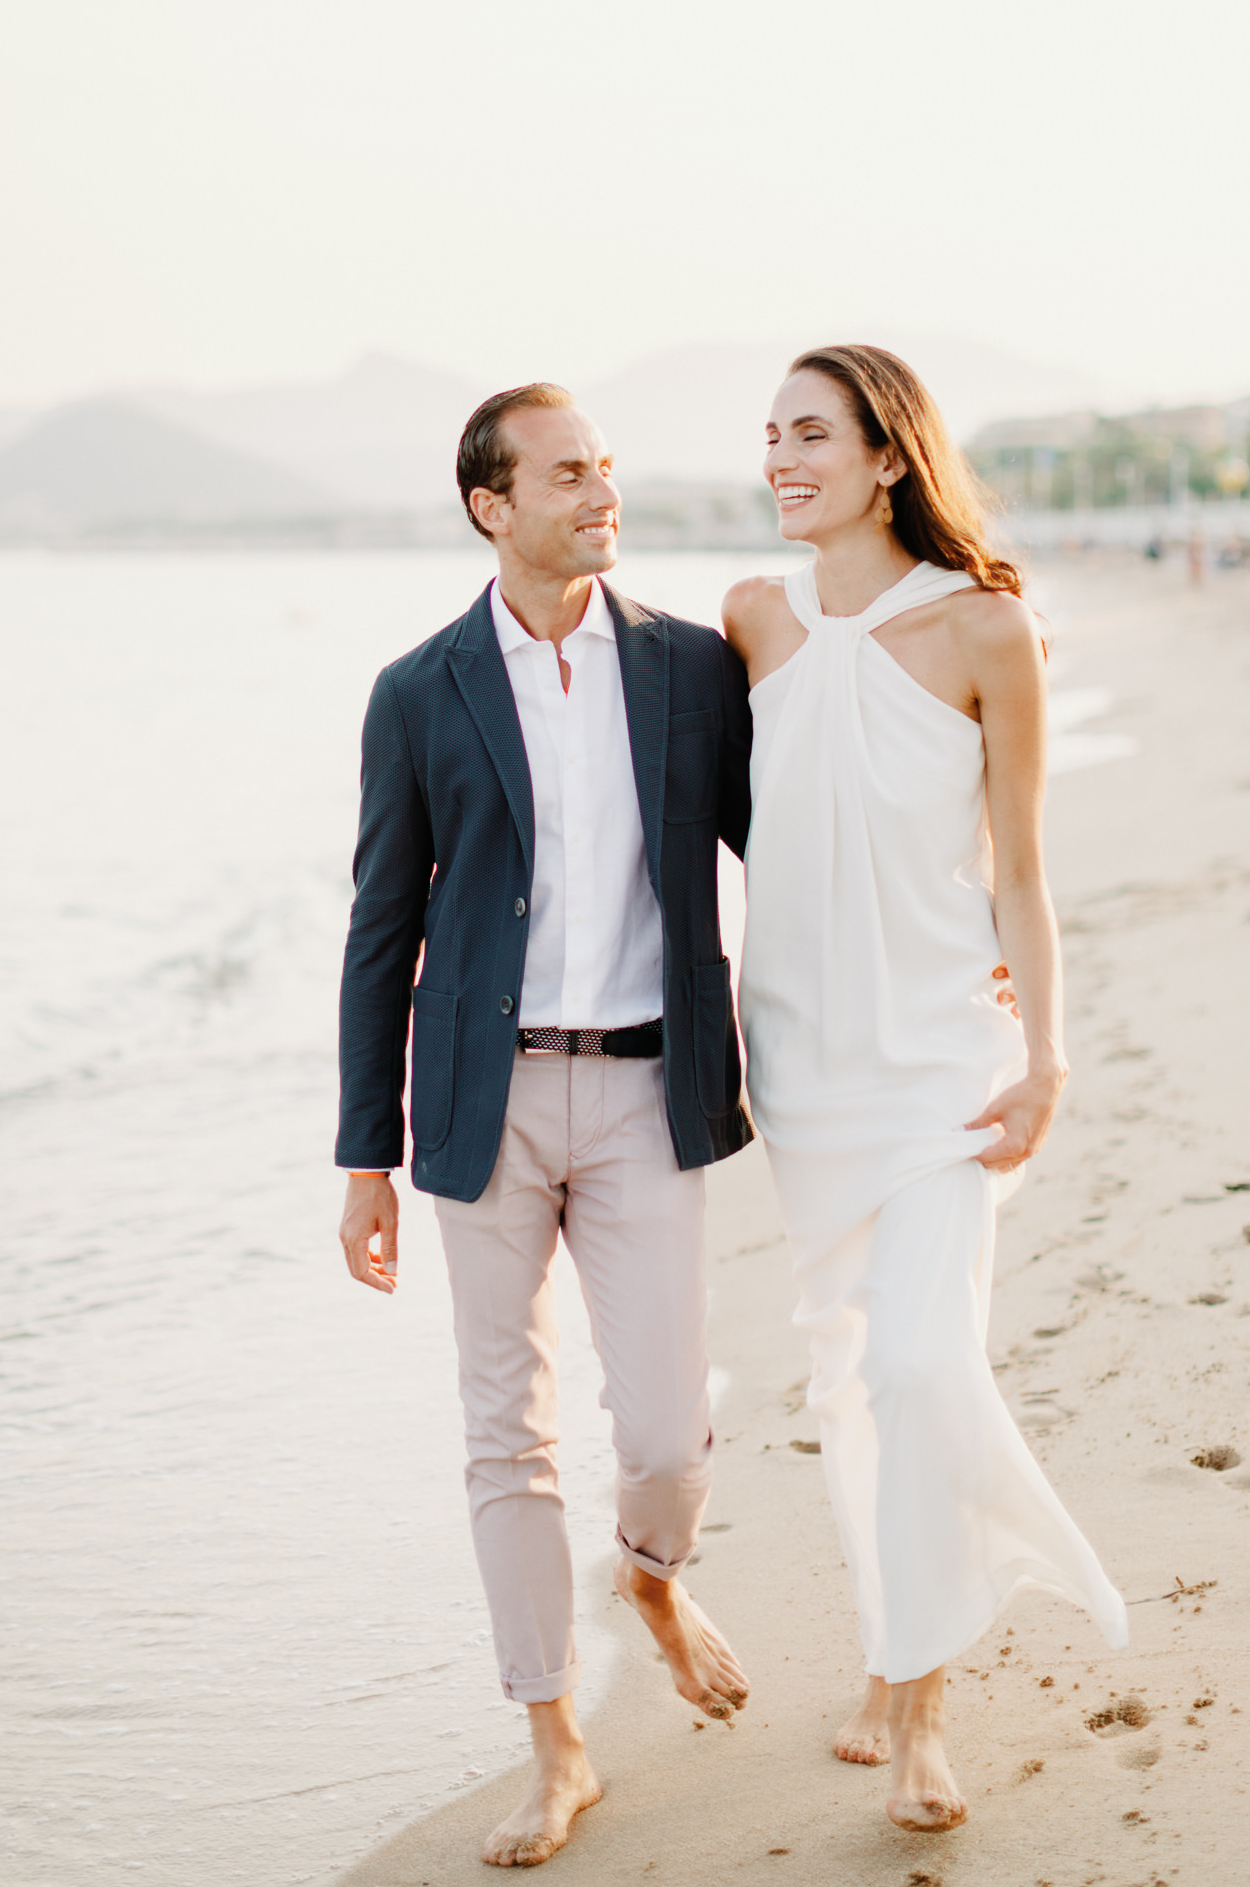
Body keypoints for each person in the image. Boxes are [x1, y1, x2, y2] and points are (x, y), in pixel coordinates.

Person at [334, 383, 753, 1868]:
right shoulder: (418, 687)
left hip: (651, 1089)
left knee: (661, 1432)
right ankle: (556, 1742)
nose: (601, 490)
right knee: (504, 1433)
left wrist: (953, 939)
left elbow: (796, 849)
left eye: (607, 468)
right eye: (568, 472)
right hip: (480, 1100)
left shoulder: (695, 670)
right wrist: (363, 1154)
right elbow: (383, 924)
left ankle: (651, 1570)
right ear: (490, 506)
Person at [723, 345, 1127, 1836]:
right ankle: (898, 1652)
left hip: (950, 1070)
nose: (781, 458)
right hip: (809, 1078)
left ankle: (922, 1709)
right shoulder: (751, 620)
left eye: (811, 434)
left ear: (890, 456)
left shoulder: (983, 630)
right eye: (770, 436)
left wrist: (1048, 1057)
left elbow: (1021, 869)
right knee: (849, 1375)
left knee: (920, 1363)